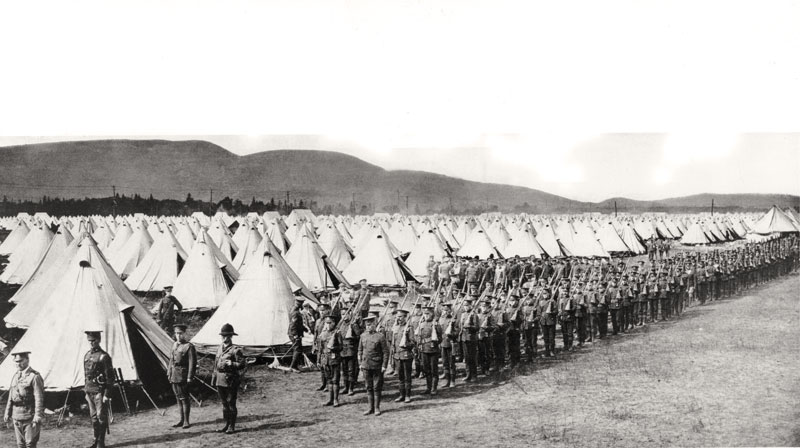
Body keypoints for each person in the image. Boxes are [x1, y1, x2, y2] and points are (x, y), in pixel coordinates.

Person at [4, 351, 44, 448]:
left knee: (30, 444)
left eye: (20, 361)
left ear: (27, 360)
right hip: (16, 415)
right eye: (16, 362)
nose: (18, 364)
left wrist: (38, 415)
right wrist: (7, 412)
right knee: (20, 444)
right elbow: (11, 396)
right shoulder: (15, 376)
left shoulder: (34, 376)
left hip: (29, 415)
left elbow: (39, 397)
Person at [213, 323, 246, 434]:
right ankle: (226, 424)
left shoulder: (236, 350)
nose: (224, 338)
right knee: (224, 404)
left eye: (226, 336)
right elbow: (215, 364)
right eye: (222, 335)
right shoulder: (219, 348)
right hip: (220, 379)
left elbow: (242, 364)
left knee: (231, 403)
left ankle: (232, 426)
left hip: (231, 380)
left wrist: (232, 363)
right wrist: (214, 378)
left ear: (231, 336)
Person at [84, 331, 114, 448]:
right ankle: (95, 440)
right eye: (89, 341)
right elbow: (86, 374)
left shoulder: (104, 357)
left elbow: (110, 378)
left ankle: (101, 442)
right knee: (94, 417)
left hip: (99, 391)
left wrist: (107, 394)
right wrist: (86, 390)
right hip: (90, 391)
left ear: (99, 340)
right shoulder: (86, 355)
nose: (91, 343)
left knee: (101, 416)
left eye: (94, 340)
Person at [358, 315, 389, 415]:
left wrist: (384, 365)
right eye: (367, 325)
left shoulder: (380, 336)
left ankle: (376, 408)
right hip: (366, 365)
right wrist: (360, 363)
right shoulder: (363, 336)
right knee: (368, 387)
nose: (368, 327)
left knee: (377, 387)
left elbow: (385, 352)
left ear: (375, 325)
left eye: (370, 325)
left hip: (377, 365)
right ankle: (370, 408)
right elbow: (360, 350)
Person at [167, 324, 196, 429]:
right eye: (176, 333)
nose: (178, 336)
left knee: (184, 398)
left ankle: (186, 421)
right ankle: (181, 420)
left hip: (183, 375)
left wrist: (189, 377)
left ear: (184, 334)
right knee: (178, 398)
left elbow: (192, 363)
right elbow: (171, 360)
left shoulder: (189, 346)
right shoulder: (174, 345)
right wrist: (169, 372)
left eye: (180, 333)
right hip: (174, 375)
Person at [415, 306, 442, 395]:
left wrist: (434, 341)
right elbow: (419, 337)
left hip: (433, 350)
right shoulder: (421, 324)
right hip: (424, 350)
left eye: (428, 314)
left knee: (434, 370)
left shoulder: (436, 325)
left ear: (432, 314)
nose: (426, 316)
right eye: (425, 314)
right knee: (426, 369)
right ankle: (428, 387)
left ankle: (434, 388)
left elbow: (440, 338)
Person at [317, 316, 343, 407]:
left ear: (334, 323)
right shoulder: (323, 334)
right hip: (325, 359)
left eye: (330, 323)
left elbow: (341, 347)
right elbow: (320, 348)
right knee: (329, 380)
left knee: (335, 380)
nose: (328, 325)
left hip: (334, 359)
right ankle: (330, 399)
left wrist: (334, 348)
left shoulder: (337, 333)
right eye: (326, 323)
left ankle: (336, 400)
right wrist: (319, 360)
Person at [391, 310, 415, 403]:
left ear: (405, 317)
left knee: (407, 376)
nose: (398, 318)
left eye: (400, 317)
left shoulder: (409, 327)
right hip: (397, 356)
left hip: (406, 355)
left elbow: (413, 342)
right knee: (400, 377)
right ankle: (401, 395)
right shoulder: (395, 327)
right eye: (397, 316)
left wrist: (406, 344)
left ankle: (408, 395)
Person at [437, 302, 458, 387]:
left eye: (447, 310)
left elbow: (457, 332)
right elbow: (439, 331)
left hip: (451, 343)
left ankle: (453, 381)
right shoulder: (441, 319)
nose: (445, 312)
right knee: (445, 363)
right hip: (442, 343)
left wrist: (451, 333)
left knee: (451, 363)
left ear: (450, 311)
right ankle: (447, 380)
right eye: (444, 310)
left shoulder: (453, 320)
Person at [458, 299, 479, 382]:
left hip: (471, 338)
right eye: (465, 305)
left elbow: (477, 327)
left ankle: (474, 375)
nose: (466, 307)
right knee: (466, 358)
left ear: (471, 306)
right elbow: (461, 326)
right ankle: (468, 374)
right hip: (464, 338)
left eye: (467, 305)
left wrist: (470, 327)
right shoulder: (463, 315)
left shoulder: (474, 315)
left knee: (472, 357)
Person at [288, 297, 306, 373]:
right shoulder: (295, 312)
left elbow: (298, 324)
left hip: (295, 333)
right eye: (301, 303)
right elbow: (293, 325)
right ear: (299, 304)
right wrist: (295, 335)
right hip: (294, 334)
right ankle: (292, 367)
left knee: (298, 349)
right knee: (297, 350)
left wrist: (305, 329)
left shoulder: (294, 310)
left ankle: (295, 366)